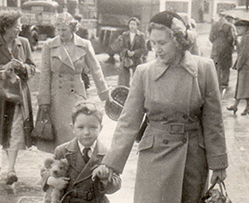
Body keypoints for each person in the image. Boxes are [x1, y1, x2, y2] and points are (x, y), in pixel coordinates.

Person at [92, 11, 228, 203]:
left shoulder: (204, 69)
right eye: (153, 43)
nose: (157, 49)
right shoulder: (144, 73)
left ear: (179, 40)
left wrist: (219, 164)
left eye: (162, 43)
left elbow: (214, 121)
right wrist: (111, 163)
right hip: (155, 156)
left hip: (192, 158)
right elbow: (128, 122)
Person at [36, 12, 110, 153]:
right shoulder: (49, 45)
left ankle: (77, 167)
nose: (61, 33)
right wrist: (44, 101)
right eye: (58, 30)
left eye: (64, 30)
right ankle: (60, 166)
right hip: (56, 96)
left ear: (72, 28)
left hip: (77, 94)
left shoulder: (84, 44)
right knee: (60, 135)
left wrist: (105, 94)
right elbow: (44, 74)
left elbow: (96, 69)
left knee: (77, 130)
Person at [41, 101, 121, 202]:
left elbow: (116, 183)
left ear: (101, 128)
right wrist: (52, 180)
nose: (86, 132)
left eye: (93, 127)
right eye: (80, 127)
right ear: (72, 128)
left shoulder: (106, 154)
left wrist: (105, 179)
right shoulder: (62, 150)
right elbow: (45, 170)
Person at [0, 10, 36, 185]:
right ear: (6, 27)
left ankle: (11, 169)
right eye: (17, 26)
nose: (20, 29)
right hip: (0, 96)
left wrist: (24, 68)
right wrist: (3, 70)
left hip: (17, 96)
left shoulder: (24, 43)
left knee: (15, 130)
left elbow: (33, 67)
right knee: (3, 132)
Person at [227, 20, 249, 115]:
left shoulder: (248, 37)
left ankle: (238, 106)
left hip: (246, 64)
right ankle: (244, 107)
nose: (237, 30)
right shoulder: (245, 37)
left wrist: (239, 64)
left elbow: (245, 53)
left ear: (245, 28)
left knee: (244, 86)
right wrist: (236, 42)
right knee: (244, 86)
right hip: (245, 64)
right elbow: (241, 51)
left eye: (239, 28)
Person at [209, 11, 237, 90]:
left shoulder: (214, 25)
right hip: (226, 47)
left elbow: (210, 37)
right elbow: (231, 38)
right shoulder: (229, 25)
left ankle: (216, 81)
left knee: (216, 64)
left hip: (216, 46)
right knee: (226, 65)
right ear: (226, 16)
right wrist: (229, 44)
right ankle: (224, 82)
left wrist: (216, 42)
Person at [118, 17, 146, 87]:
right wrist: (127, 51)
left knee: (137, 78)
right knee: (124, 78)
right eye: (130, 24)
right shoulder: (125, 35)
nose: (132, 26)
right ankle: (124, 91)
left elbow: (144, 49)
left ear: (137, 26)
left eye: (134, 24)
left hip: (137, 58)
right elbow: (121, 47)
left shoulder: (141, 35)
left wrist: (135, 53)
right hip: (126, 58)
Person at [74, 14, 91, 90]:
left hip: (78, 52)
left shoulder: (81, 29)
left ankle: (85, 84)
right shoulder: (84, 29)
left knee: (81, 70)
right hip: (79, 52)